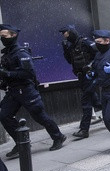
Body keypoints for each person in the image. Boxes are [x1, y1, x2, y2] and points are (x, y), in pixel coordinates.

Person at [0, 24, 66, 158]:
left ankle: (58, 136)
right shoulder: (7, 54)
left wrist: (6, 74)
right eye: (0, 36)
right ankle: (21, 142)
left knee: (39, 116)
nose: (2, 39)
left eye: (4, 36)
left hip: (26, 90)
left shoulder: (21, 53)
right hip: (13, 91)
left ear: (13, 35)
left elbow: (27, 73)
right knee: (4, 115)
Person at [59, 25, 102, 139]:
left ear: (72, 32)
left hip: (90, 76)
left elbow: (98, 55)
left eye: (66, 34)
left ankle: (84, 129)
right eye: (64, 35)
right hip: (81, 76)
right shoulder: (71, 46)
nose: (65, 36)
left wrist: (90, 66)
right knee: (96, 102)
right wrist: (65, 49)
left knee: (86, 101)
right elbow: (70, 61)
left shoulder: (85, 42)